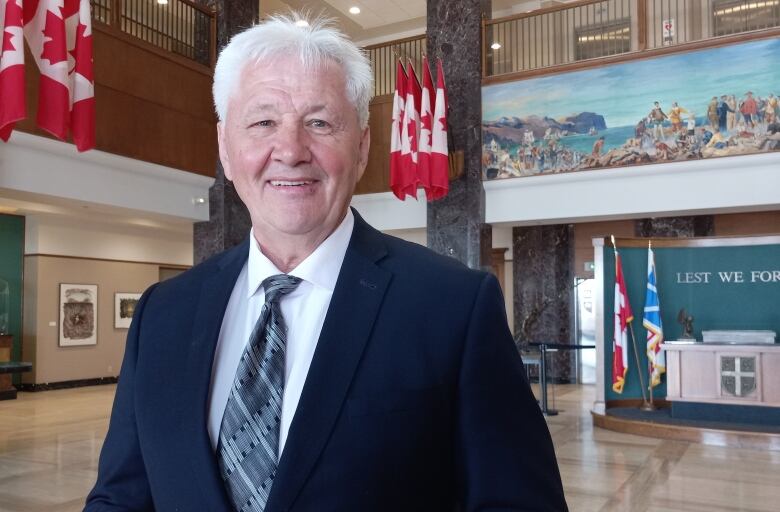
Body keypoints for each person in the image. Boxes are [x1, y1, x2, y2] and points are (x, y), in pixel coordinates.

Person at [85, 14, 567, 512]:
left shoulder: (455, 308)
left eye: (319, 123)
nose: (291, 151)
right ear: (226, 148)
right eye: (263, 122)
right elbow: (121, 498)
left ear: (361, 148)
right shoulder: (163, 313)